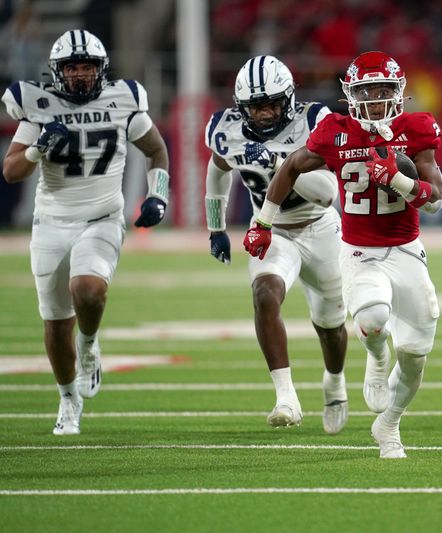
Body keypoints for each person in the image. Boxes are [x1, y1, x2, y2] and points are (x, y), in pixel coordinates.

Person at [243, 51, 442, 458]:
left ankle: (388, 425)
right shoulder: (336, 131)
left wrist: (400, 181)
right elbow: (292, 167)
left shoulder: (417, 128)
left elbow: (436, 200)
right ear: (350, 95)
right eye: (366, 90)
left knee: (415, 357)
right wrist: (263, 222)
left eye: (384, 89)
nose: (375, 98)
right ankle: (374, 358)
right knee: (371, 319)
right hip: (359, 251)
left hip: (406, 248)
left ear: (399, 92)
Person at [1, 29, 170, 435]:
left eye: (87, 67)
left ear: (102, 70)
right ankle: (67, 399)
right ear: (57, 72)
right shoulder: (38, 105)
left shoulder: (123, 99)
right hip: (51, 223)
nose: (79, 75)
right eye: (72, 67)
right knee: (57, 323)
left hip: (102, 217)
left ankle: (90, 345)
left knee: (89, 289)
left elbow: (157, 150)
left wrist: (157, 196)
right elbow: (10, 171)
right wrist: (38, 148)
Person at [204, 55, 349, 434]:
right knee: (265, 293)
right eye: (256, 106)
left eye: (272, 103)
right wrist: (216, 227)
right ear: (241, 107)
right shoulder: (227, 130)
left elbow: (328, 194)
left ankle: (334, 382)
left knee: (331, 326)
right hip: (272, 229)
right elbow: (218, 168)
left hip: (320, 227)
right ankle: (286, 396)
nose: (265, 113)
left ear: (289, 100)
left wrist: (281, 161)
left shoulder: (315, 121)